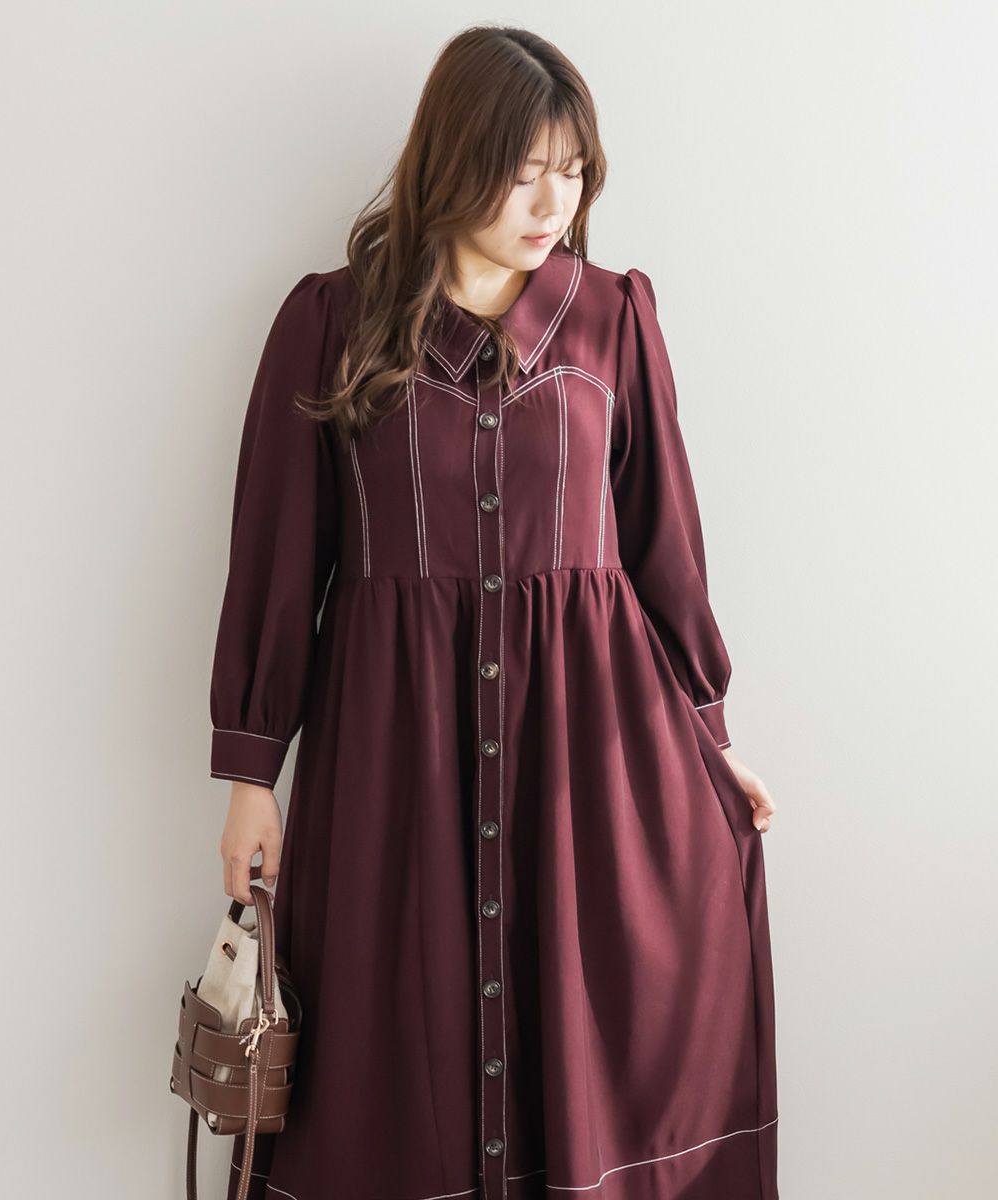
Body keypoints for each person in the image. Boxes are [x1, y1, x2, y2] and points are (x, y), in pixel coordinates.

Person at [209, 24, 779, 1200]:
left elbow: (663, 548)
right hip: (391, 761)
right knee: (389, 1055)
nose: (551, 202)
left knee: (591, 1040)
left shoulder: (614, 319)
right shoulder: (331, 323)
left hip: (591, 759)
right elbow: (277, 555)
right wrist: (251, 772)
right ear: (453, 159)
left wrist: (710, 736)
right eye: (522, 171)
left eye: (571, 171)